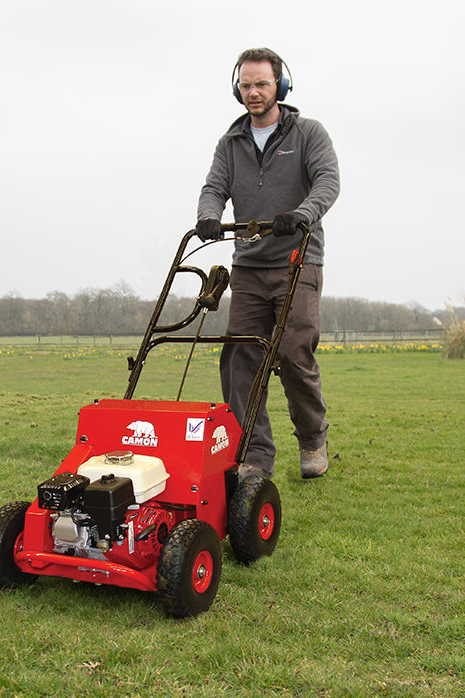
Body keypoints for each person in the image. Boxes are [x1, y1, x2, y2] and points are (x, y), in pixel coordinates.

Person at [196, 47, 340, 480]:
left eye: (261, 84)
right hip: (249, 266)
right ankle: (255, 454)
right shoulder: (231, 143)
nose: (254, 92)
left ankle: (312, 438)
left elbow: (328, 181)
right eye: (246, 85)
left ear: (281, 84)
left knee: (294, 353)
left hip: (298, 262)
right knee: (239, 358)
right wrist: (208, 216)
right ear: (236, 89)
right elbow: (214, 188)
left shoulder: (308, 133)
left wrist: (301, 215)